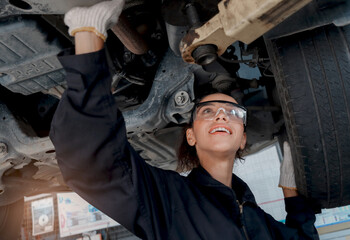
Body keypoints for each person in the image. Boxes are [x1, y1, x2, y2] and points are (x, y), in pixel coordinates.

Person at [50, 1, 319, 239]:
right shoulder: (254, 217)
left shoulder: (171, 203)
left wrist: (88, 31)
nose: (222, 113)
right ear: (191, 135)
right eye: (208, 111)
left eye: (233, 112)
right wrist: (291, 193)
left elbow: (91, 164)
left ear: (243, 139)